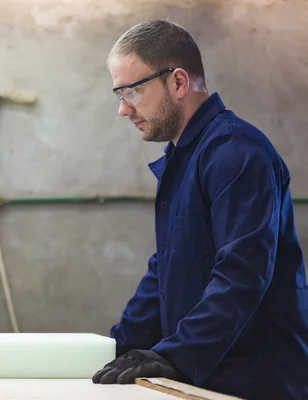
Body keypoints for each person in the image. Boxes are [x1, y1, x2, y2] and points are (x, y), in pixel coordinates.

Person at [91, 20, 308, 400]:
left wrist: (176, 355)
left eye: (133, 91)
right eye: (119, 94)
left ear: (177, 82)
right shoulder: (185, 157)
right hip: (208, 375)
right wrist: (118, 348)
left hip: (258, 380)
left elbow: (243, 273)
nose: (123, 109)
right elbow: (167, 267)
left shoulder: (236, 153)